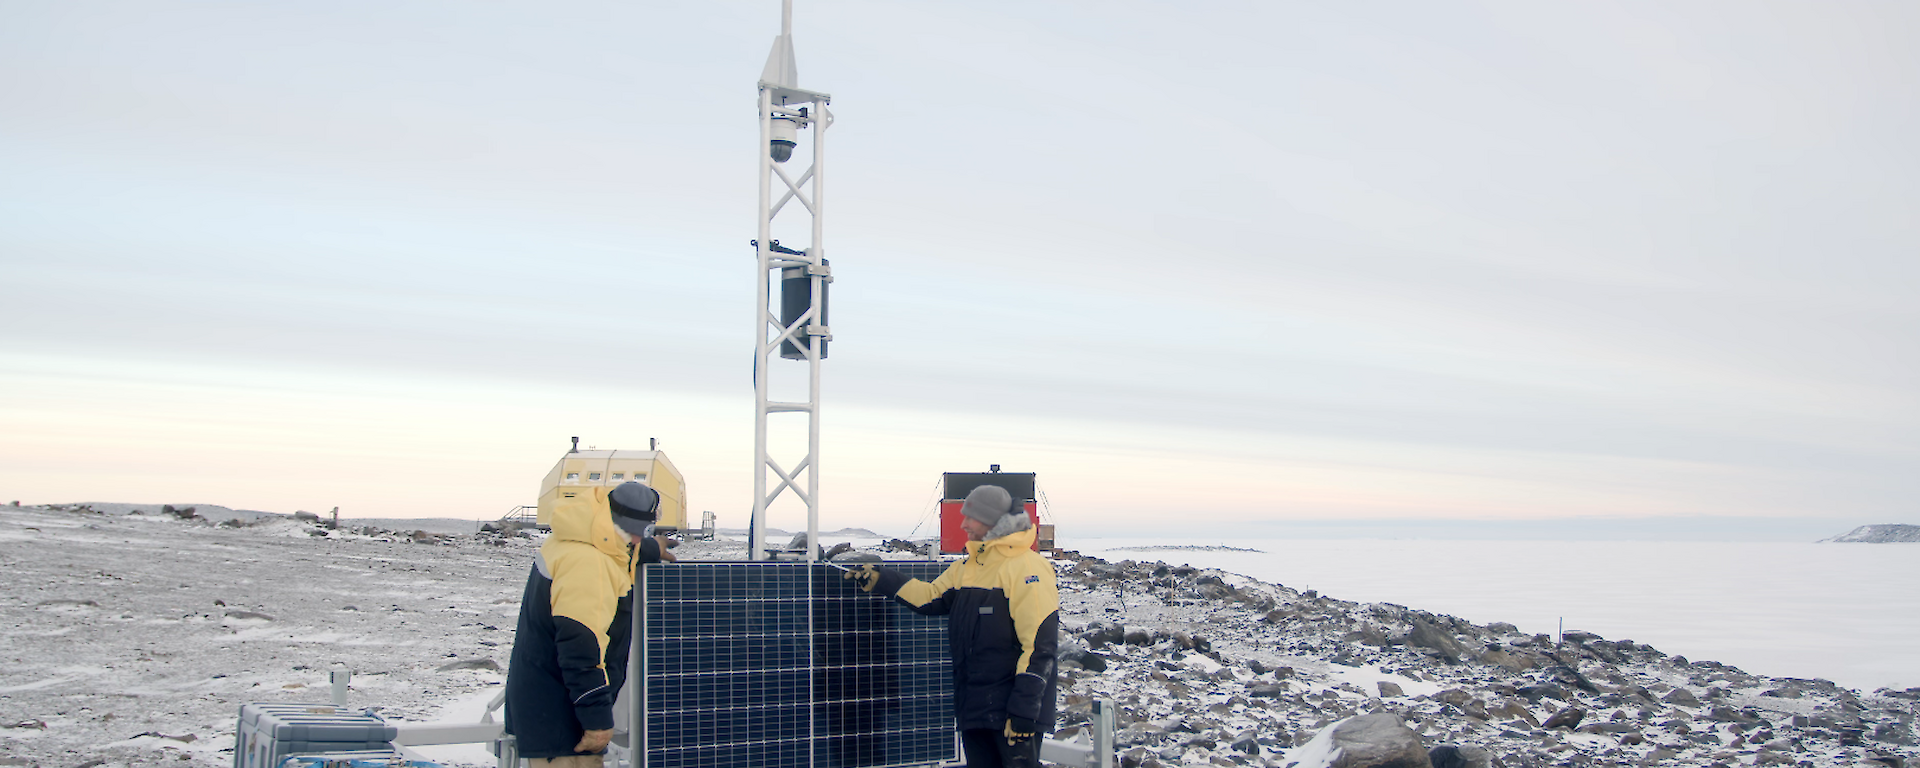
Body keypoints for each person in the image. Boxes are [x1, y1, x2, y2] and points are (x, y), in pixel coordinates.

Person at [845, 485, 1059, 768]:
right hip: (976, 706)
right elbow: (928, 598)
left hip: (1012, 711)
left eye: (971, 517)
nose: (963, 524)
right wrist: (881, 579)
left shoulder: (1028, 568)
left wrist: (1024, 710)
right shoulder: (968, 568)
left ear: (992, 520)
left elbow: (1039, 647)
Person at [505, 481, 676, 766]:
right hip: (564, 721)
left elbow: (620, 551)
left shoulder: (582, 537)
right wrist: (596, 720)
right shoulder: (588, 562)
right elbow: (580, 649)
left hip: (551, 705)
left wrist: (650, 548)